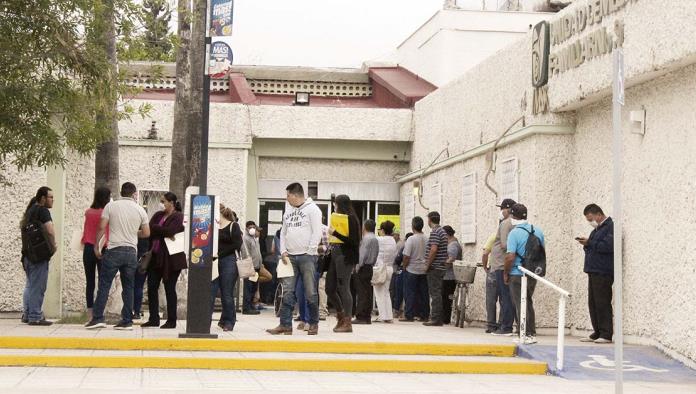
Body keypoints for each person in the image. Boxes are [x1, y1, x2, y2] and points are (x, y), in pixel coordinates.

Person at [86, 182, 149, 330]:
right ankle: (127, 320)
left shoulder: (111, 206)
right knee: (128, 286)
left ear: (121, 192)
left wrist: (96, 246)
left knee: (105, 285)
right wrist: (134, 232)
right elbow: (146, 233)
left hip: (114, 249)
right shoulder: (140, 210)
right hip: (131, 252)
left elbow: (102, 227)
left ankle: (98, 318)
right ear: (134, 194)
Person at [267, 183, 322, 335]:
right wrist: (283, 251)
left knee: (310, 291)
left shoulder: (313, 209)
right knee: (287, 291)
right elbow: (283, 233)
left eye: (288, 195)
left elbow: (317, 232)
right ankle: (285, 324)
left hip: (307, 256)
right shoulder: (288, 211)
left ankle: (313, 323)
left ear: (295, 195)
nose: (286, 198)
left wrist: (310, 251)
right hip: (289, 256)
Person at [141, 192, 186, 329]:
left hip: (171, 259)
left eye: (164, 201)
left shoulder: (178, 216)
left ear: (171, 203)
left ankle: (171, 320)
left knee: (169, 288)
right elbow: (150, 229)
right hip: (155, 256)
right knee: (152, 287)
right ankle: (153, 318)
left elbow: (171, 231)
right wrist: (161, 230)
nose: (162, 204)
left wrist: (157, 229)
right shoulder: (158, 215)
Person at [504, 203, 545, 344]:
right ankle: (528, 332)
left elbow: (510, 256)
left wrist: (506, 273)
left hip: (517, 272)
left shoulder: (514, 233)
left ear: (513, 216)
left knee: (519, 302)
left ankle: (527, 333)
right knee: (527, 301)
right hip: (532, 272)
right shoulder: (537, 231)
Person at [576, 203, 614, 344]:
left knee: (602, 302)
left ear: (598, 214)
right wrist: (587, 244)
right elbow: (593, 246)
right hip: (593, 270)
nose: (590, 222)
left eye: (591, 218)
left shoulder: (610, 227)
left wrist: (590, 243)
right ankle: (597, 331)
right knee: (593, 303)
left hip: (603, 271)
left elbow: (608, 246)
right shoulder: (597, 229)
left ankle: (606, 333)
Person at [20, 186, 57, 326]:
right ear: (42, 198)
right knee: (38, 286)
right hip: (39, 256)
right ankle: (35, 316)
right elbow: (50, 230)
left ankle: (28, 314)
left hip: (28, 255)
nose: (52, 200)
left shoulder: (30, 211)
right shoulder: (43, 211)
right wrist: (53, 246)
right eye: (51, 197)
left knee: (30, 285)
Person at [325, 194, 361, 333]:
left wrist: (335, 233)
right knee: (329, 288)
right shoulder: (338, 217)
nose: (335, 206)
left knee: (344, 287)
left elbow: (353, 241)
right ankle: (340, 315)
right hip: (335, 254)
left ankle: (347, 321)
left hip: (345, 256)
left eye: (336, 204)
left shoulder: (351, 218)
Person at [80, 186, 110, 321]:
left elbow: (86, 230)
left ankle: (90, 311)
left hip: (88, 248)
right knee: (102, 281)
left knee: (90, 281)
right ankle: (100, 311)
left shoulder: (88, 212)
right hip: (102, 248)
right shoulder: (106, 213)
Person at [211, 206, 242, 331]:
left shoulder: (233, 226)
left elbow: (237, 244)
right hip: (213, 261)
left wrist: (220, 253)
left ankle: (230, 321)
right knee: (212, 291)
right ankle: (222, 319)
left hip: (229, 261)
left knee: (226, 293)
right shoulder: (213, 227)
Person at [490, 198, 517, 336]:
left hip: (502, 264)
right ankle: (506, 325)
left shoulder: (506, 223)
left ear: (508, 209)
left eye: (502, 208)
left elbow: (505, 245)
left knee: (505, 297)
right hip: (502, 263)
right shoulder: (511, 223)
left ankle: (506, 327)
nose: (501, 211)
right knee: (507, 297)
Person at [401, 218, 429, 322]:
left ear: (412, 226)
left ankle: (409, 315)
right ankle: (424, 315)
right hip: (424, 269)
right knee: (424, 293)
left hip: (412, 269)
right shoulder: (427, 238)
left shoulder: (411, 239)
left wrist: (404, 267)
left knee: (410, 293)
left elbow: (406, 256)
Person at [424, 211, 448, 326]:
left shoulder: (435, 232)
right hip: (441, 266)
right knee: (437, 292)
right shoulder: (442, 231)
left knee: (435, 293)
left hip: (435, 267)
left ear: (430, 220)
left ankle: (435, 318)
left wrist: (427, 265)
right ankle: (438, 317)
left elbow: (433, 249)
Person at [352, 219, 378, 325]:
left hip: (363, 267)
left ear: (365, 227)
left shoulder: (366, 239)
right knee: (367, 292)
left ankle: (361, 316)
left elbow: (362, 255)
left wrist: (357, 267)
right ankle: (367, 316)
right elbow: (375, 254)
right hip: (370, 267)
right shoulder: (375, 239)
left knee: (361, 292)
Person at [373, 220, 396, 323]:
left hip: (380, 268)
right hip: (389, 268)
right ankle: (388, 316)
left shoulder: (379, 240)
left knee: (378, 293)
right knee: (386, 292)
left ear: (382, 230)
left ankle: (382, 315)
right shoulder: (393, 240)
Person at [442, 225, 461, 325]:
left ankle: (445, 318)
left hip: (449, 276)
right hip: (448, 275)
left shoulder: (453, 245)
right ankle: (445, 317)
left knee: (446, 297)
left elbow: (451, 258)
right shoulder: (453, 243)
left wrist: (442, 265)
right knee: (446, 297)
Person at [242, 221, 262, 315]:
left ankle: (250, 306)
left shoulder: (254, 238)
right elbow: (246, 252)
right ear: (246, 228)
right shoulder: (246, 238)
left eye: (254, 227)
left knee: (253, 288)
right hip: (250, 266)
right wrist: (250, 265)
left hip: (256, 266)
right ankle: (246, 308)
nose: (252, 229)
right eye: (250, 227)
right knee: (248, 287)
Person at [390, 231, 406, 318]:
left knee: (395, 291)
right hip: (395, 270)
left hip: (396, 270)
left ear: (397, 235)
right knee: (395, 291)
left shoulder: (400, 244)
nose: (392, 236)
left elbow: (397, 258)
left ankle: (396, 310)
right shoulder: (397, 243)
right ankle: (396, 309)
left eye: (394, 235)